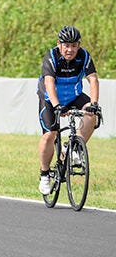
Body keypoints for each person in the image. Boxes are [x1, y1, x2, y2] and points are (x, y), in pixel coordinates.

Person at [38, 25, 101, 196]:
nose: (70, 49)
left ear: (79, 45)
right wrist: (58, 105)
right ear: (59, 44)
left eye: (74, 45)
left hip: (73, 95)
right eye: (66, 45)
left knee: (91, 113)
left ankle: (72, 148)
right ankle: (44, 174)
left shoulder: (84, 56)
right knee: (50, 134)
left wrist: (94, 103)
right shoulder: (51, 56)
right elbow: (49, 83)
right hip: (51, 98)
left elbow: (93, 80)